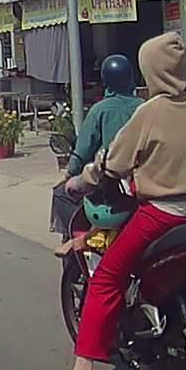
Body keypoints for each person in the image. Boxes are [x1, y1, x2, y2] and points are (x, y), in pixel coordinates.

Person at [51, 32, 186, 370]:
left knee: (107, 278)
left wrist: (79, 182)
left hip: (161, 216)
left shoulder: (151, 111)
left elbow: (112, 163)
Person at [49, 54, 143, 236]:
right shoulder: (144, 107)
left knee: (61, 192)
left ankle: (71, 239)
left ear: (105, 81)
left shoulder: (100, 110)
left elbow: (83, 151)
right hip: (140, 181)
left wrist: (69, 173)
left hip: (109, 182)